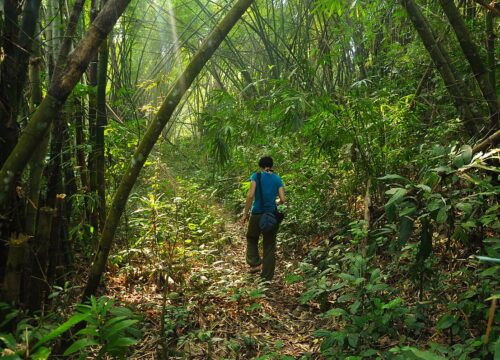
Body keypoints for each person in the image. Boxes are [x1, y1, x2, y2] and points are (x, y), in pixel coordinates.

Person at [241, 156, 285, 281]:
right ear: (271, 166)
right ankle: (267, 278)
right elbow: (282, 199)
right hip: (271, 215)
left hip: (257, 214)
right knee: (269, 245)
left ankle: (254, 263)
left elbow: (250, 195)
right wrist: (274, 202)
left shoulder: (256, 176)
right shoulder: (277, 178)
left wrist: (245, 213)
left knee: (252, 237)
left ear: (260, 165)